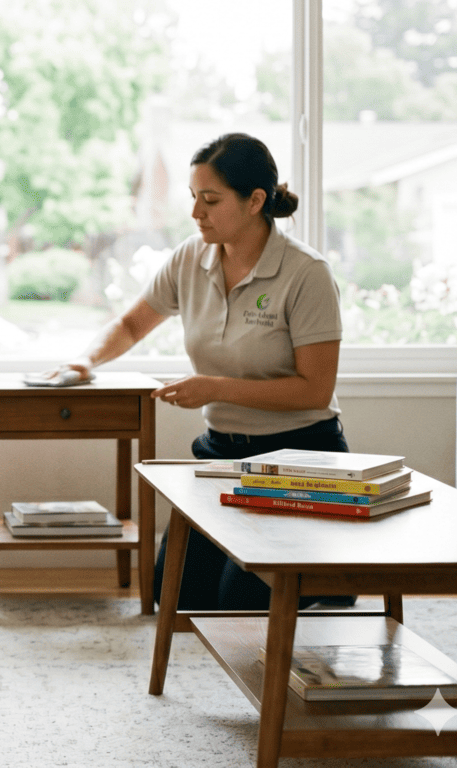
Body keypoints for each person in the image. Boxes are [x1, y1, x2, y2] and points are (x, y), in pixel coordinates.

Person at [42, 132, 349, 611]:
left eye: (210, 200)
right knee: (176, 598)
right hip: (222, 456)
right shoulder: (190, 257)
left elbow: (315, 390)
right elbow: (130, 323)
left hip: (300, 457)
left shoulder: (306, 273)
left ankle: (328, 578)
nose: (195, 213)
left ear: (255, 201)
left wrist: (213, 388)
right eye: (193, 198)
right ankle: (311, 575)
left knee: (236, 605)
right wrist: (87, 360)